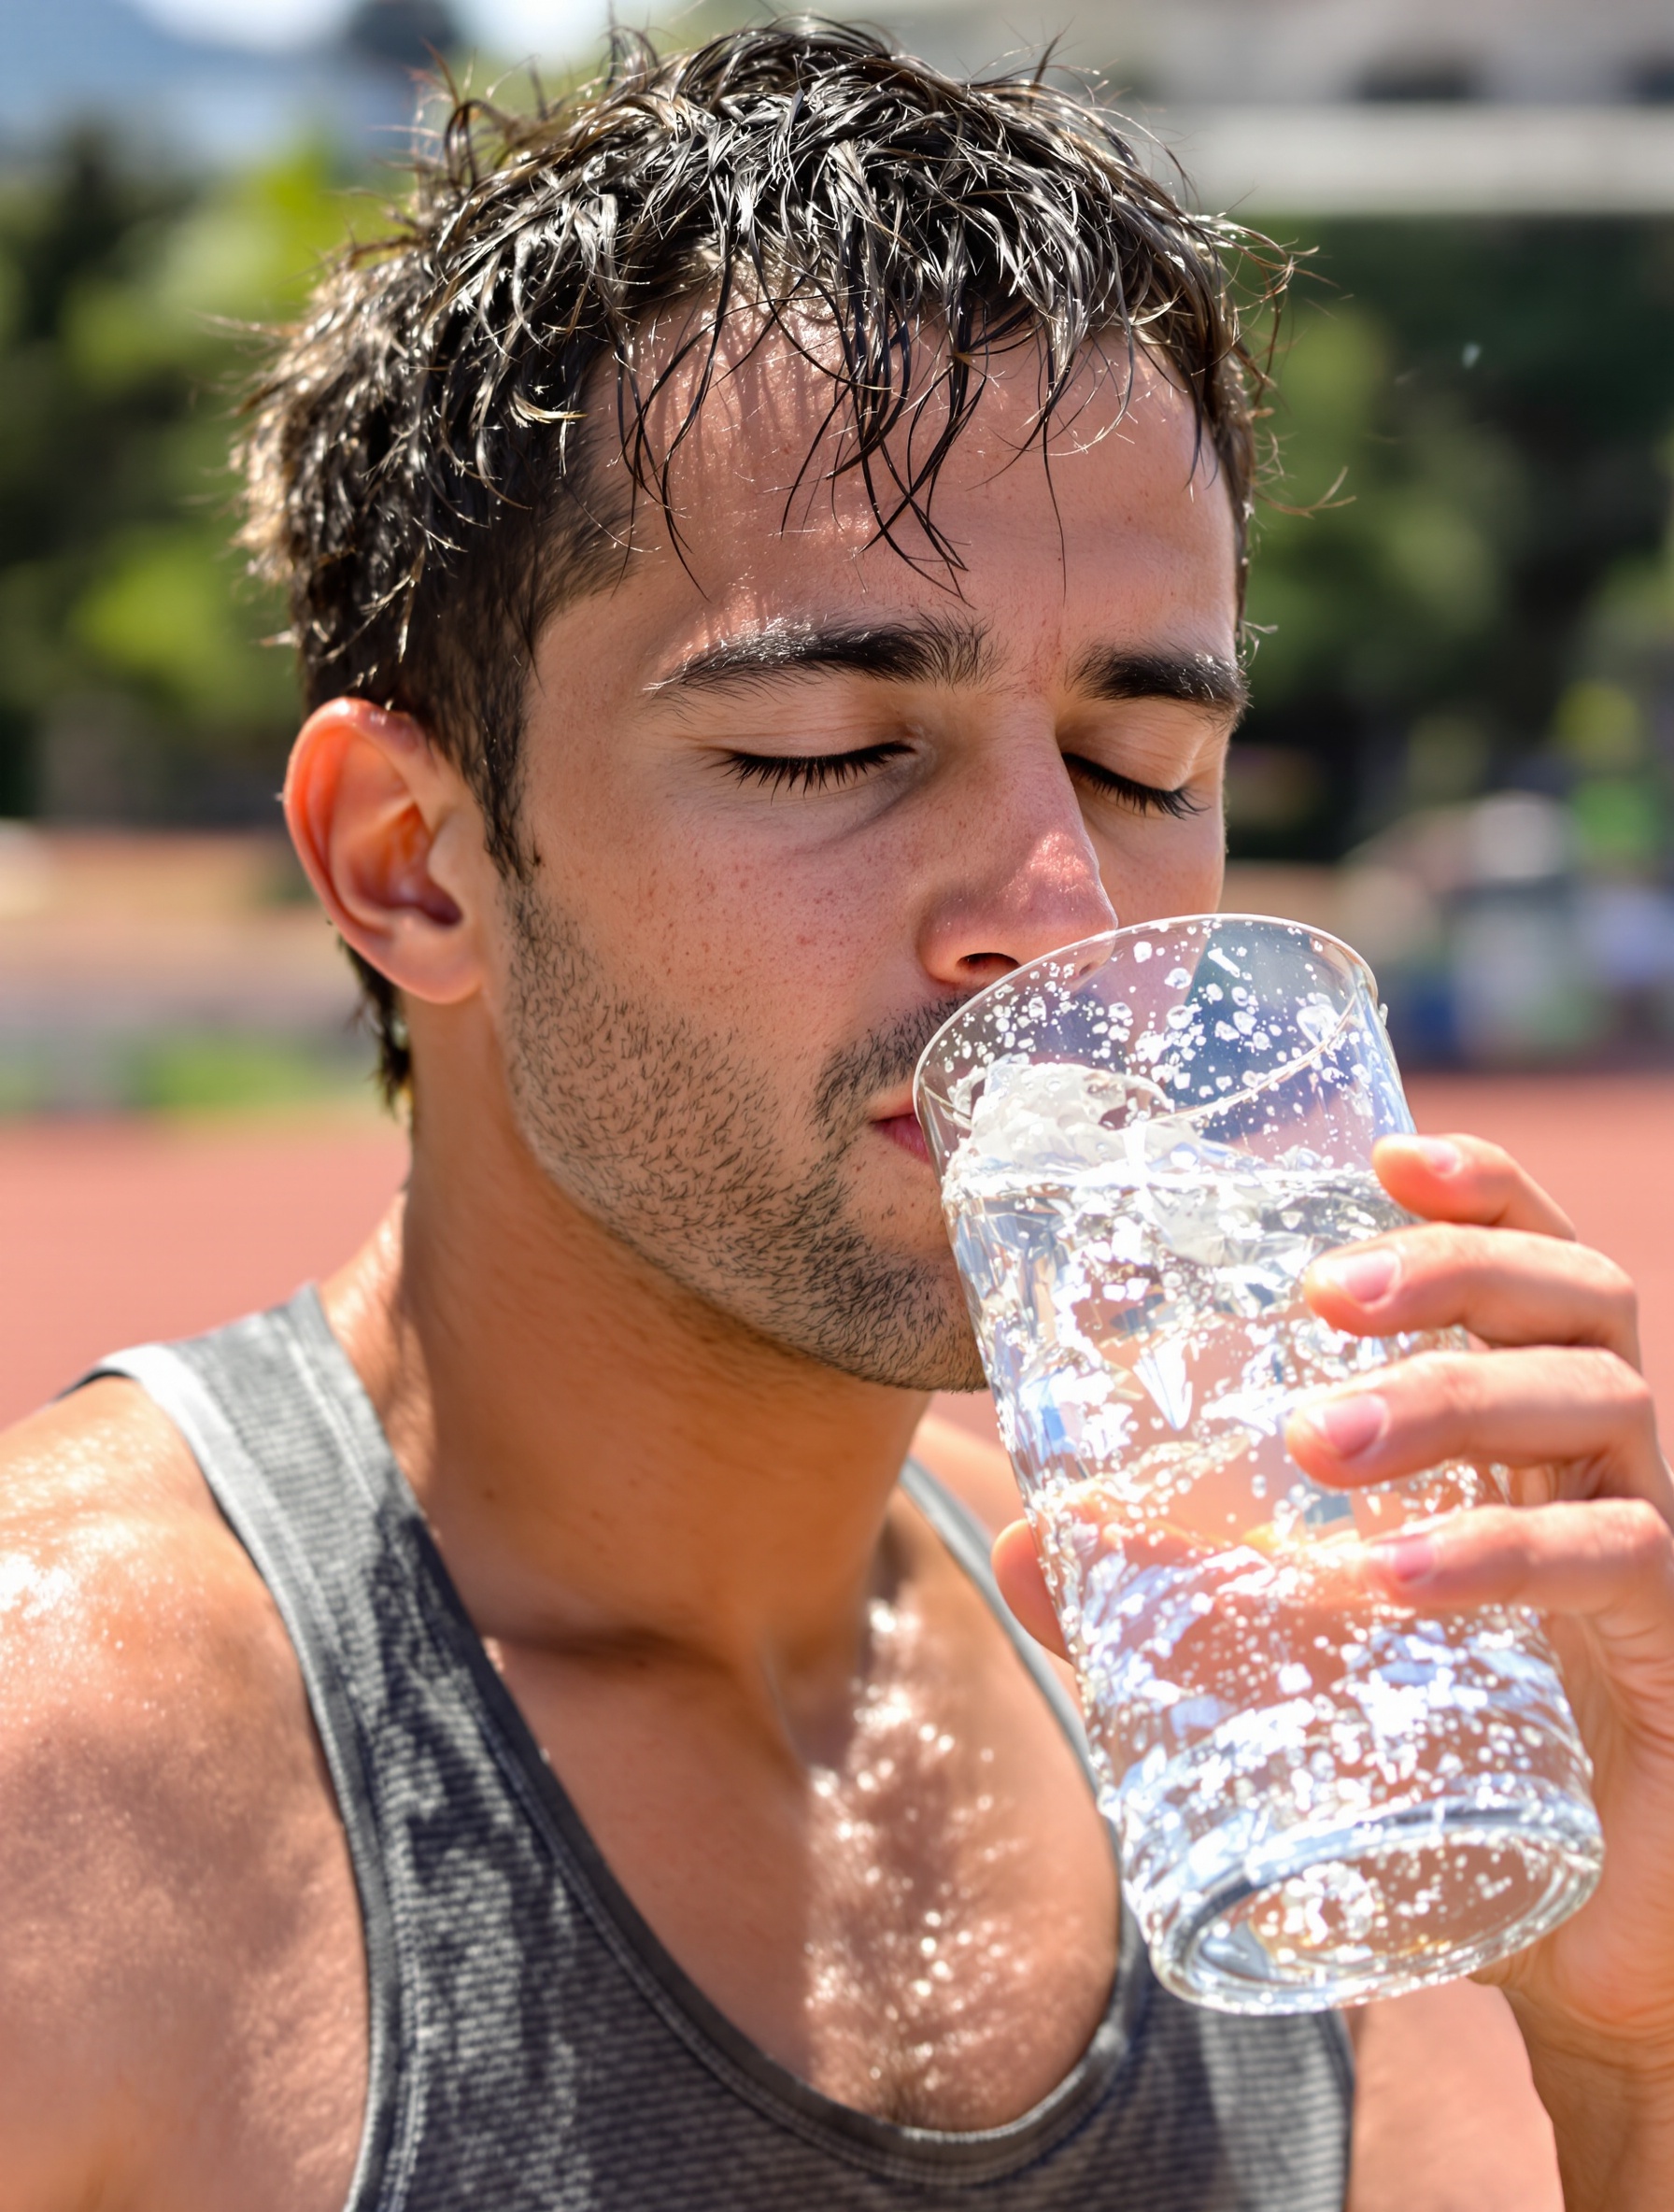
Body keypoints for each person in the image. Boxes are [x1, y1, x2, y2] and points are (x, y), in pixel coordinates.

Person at [2, 25, 1670, 2210]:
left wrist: (1627, 2059)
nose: (1053, 912)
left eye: (1141, 764)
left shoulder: (1260, 1704)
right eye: (821, 744)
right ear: (411, 859)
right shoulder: (68, 1792)